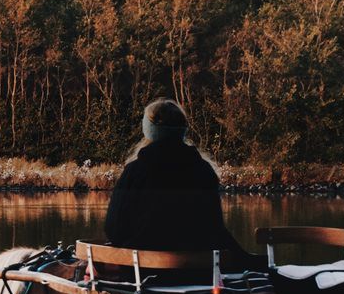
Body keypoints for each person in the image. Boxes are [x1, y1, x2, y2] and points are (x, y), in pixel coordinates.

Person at [104, 98, 250, 258]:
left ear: (148, 130)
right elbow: (214, 227)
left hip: (145, 270)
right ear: (182, 131)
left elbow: (114, 230)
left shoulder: (135, 171)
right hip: (197, 270)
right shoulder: (204, 170)